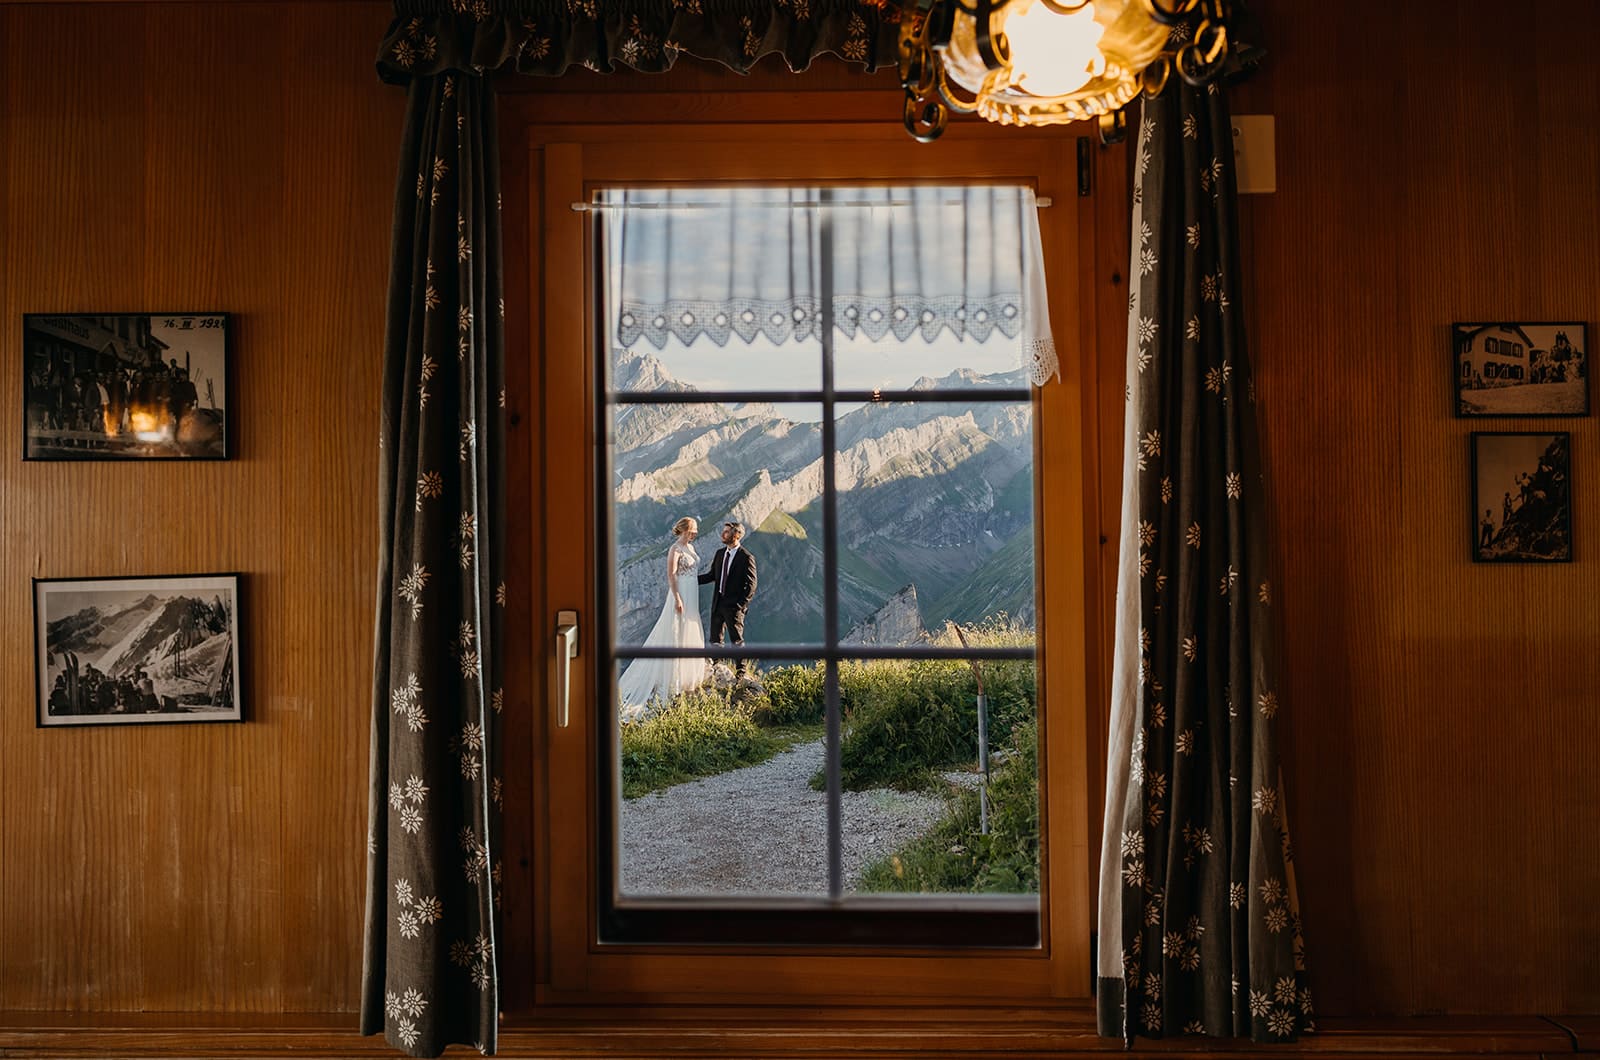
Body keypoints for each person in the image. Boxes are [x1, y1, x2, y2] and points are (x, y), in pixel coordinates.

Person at [615, 517, 708, 721]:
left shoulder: (690, 548)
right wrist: (677, 598)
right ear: (684, 530)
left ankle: (687, 674)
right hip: (682, 591)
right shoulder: (675, 549)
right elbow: (671, 575)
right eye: (692, 530)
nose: (695, 534)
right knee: (676, 629)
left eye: (696, 531)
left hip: (692, 591)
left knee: (691, 628)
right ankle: (672, 677)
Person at [699, 520, 758, 679]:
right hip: (718, 602)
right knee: (715, 638)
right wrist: (690, 580)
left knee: (736, 640)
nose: (722, 534)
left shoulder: (746, 557)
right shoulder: (720, 554)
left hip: (734, 606)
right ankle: (716, 667)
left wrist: (739, 605)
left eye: (726, 532)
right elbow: (712, 576)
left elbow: (752, 585)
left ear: (736, 535)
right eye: (723, 531)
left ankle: (741, 672)